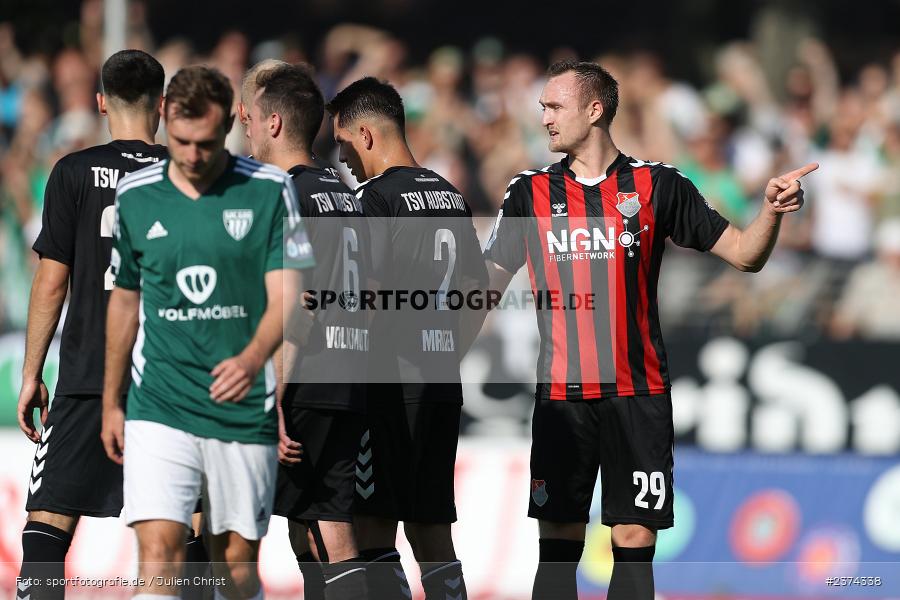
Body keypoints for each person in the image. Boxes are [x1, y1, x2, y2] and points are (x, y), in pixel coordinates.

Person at [480, 60, 816, 600]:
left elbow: (745, 255)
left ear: (595, 111)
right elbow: (484, 288)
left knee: (634, 538)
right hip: (562, 399)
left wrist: (772, 212)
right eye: (542, 105)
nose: (542, 117)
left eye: (553, 106)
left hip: (638, 395)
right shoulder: (528, 194)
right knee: (559, 543)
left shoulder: (658, 185)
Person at [100, 65, 315, 600]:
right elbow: (125, 301)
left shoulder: (267, 190)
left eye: (206, 143)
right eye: (181, 142)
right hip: (160, 404)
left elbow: (288, 293)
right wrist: (111, 400)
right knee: (158, 556)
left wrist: (252, 359)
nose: (192, 155)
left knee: (235, 567)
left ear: (228, 128)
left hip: (240, 409)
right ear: (165, 119)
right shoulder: (136, 194)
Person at [16, 49, 168, 600]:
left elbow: (52, 281)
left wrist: (32, 372)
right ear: (164, 104)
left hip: (86, 378)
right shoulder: (187, 176)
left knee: (45, 531)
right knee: (186, 537)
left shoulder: (73, 171)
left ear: (102, 102)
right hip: (169, 382)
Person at [328, 76, 487, 600]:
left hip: (388, 388)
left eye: (345, 143)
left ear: (367, 134)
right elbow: (474, 289)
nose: (344, 159)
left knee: (373, 526)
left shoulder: (373, 200)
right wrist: (445, 354)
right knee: (432, 531)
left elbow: (367, 297)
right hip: (440, 383)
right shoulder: (449, 194)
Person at [244, 63, 369, 600]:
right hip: (351, 373)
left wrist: (272, 398)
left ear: (273, 124)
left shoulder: (282, 194)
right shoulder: (344, 193)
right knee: (324, 528)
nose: (244, 131)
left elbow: (300, 306)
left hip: (302, 381)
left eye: (247, 120)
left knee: (230, 524)